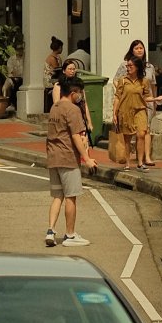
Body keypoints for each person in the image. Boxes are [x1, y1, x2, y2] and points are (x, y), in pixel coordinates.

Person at [45, 74, 96, 248]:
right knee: (70, 197)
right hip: (68, 157)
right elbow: (76, 136)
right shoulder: (73, 110)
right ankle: (70, 235)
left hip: (53, 156)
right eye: (80, 92)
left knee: (57, 196)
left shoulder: (54, 107)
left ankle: (51, 231)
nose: (81, 95)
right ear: (73, 92)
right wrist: (87, 159)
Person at [111, 41, 157, 169]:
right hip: (126, 108)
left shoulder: (147, 73)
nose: (139, 50)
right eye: (136, 48)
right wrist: (115, 112)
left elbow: (151, 89)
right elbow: (117, 94)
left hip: (141, 107)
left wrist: (155, 100)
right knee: (127, 137)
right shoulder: (123, 77)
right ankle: (128, 162)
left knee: (142, 132)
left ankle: (142, 160)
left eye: (141, 48)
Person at [2, 32, 25, 113]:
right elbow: (11, 72)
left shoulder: (25, 58)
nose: (20, 50)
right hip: (12, 77)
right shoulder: (11, 59)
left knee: (18, 83)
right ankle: (5, 105)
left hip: (23, 77)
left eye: (21, 48)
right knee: (5, 87)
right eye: (18, 49)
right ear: (15, 49)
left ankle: (14, 104)